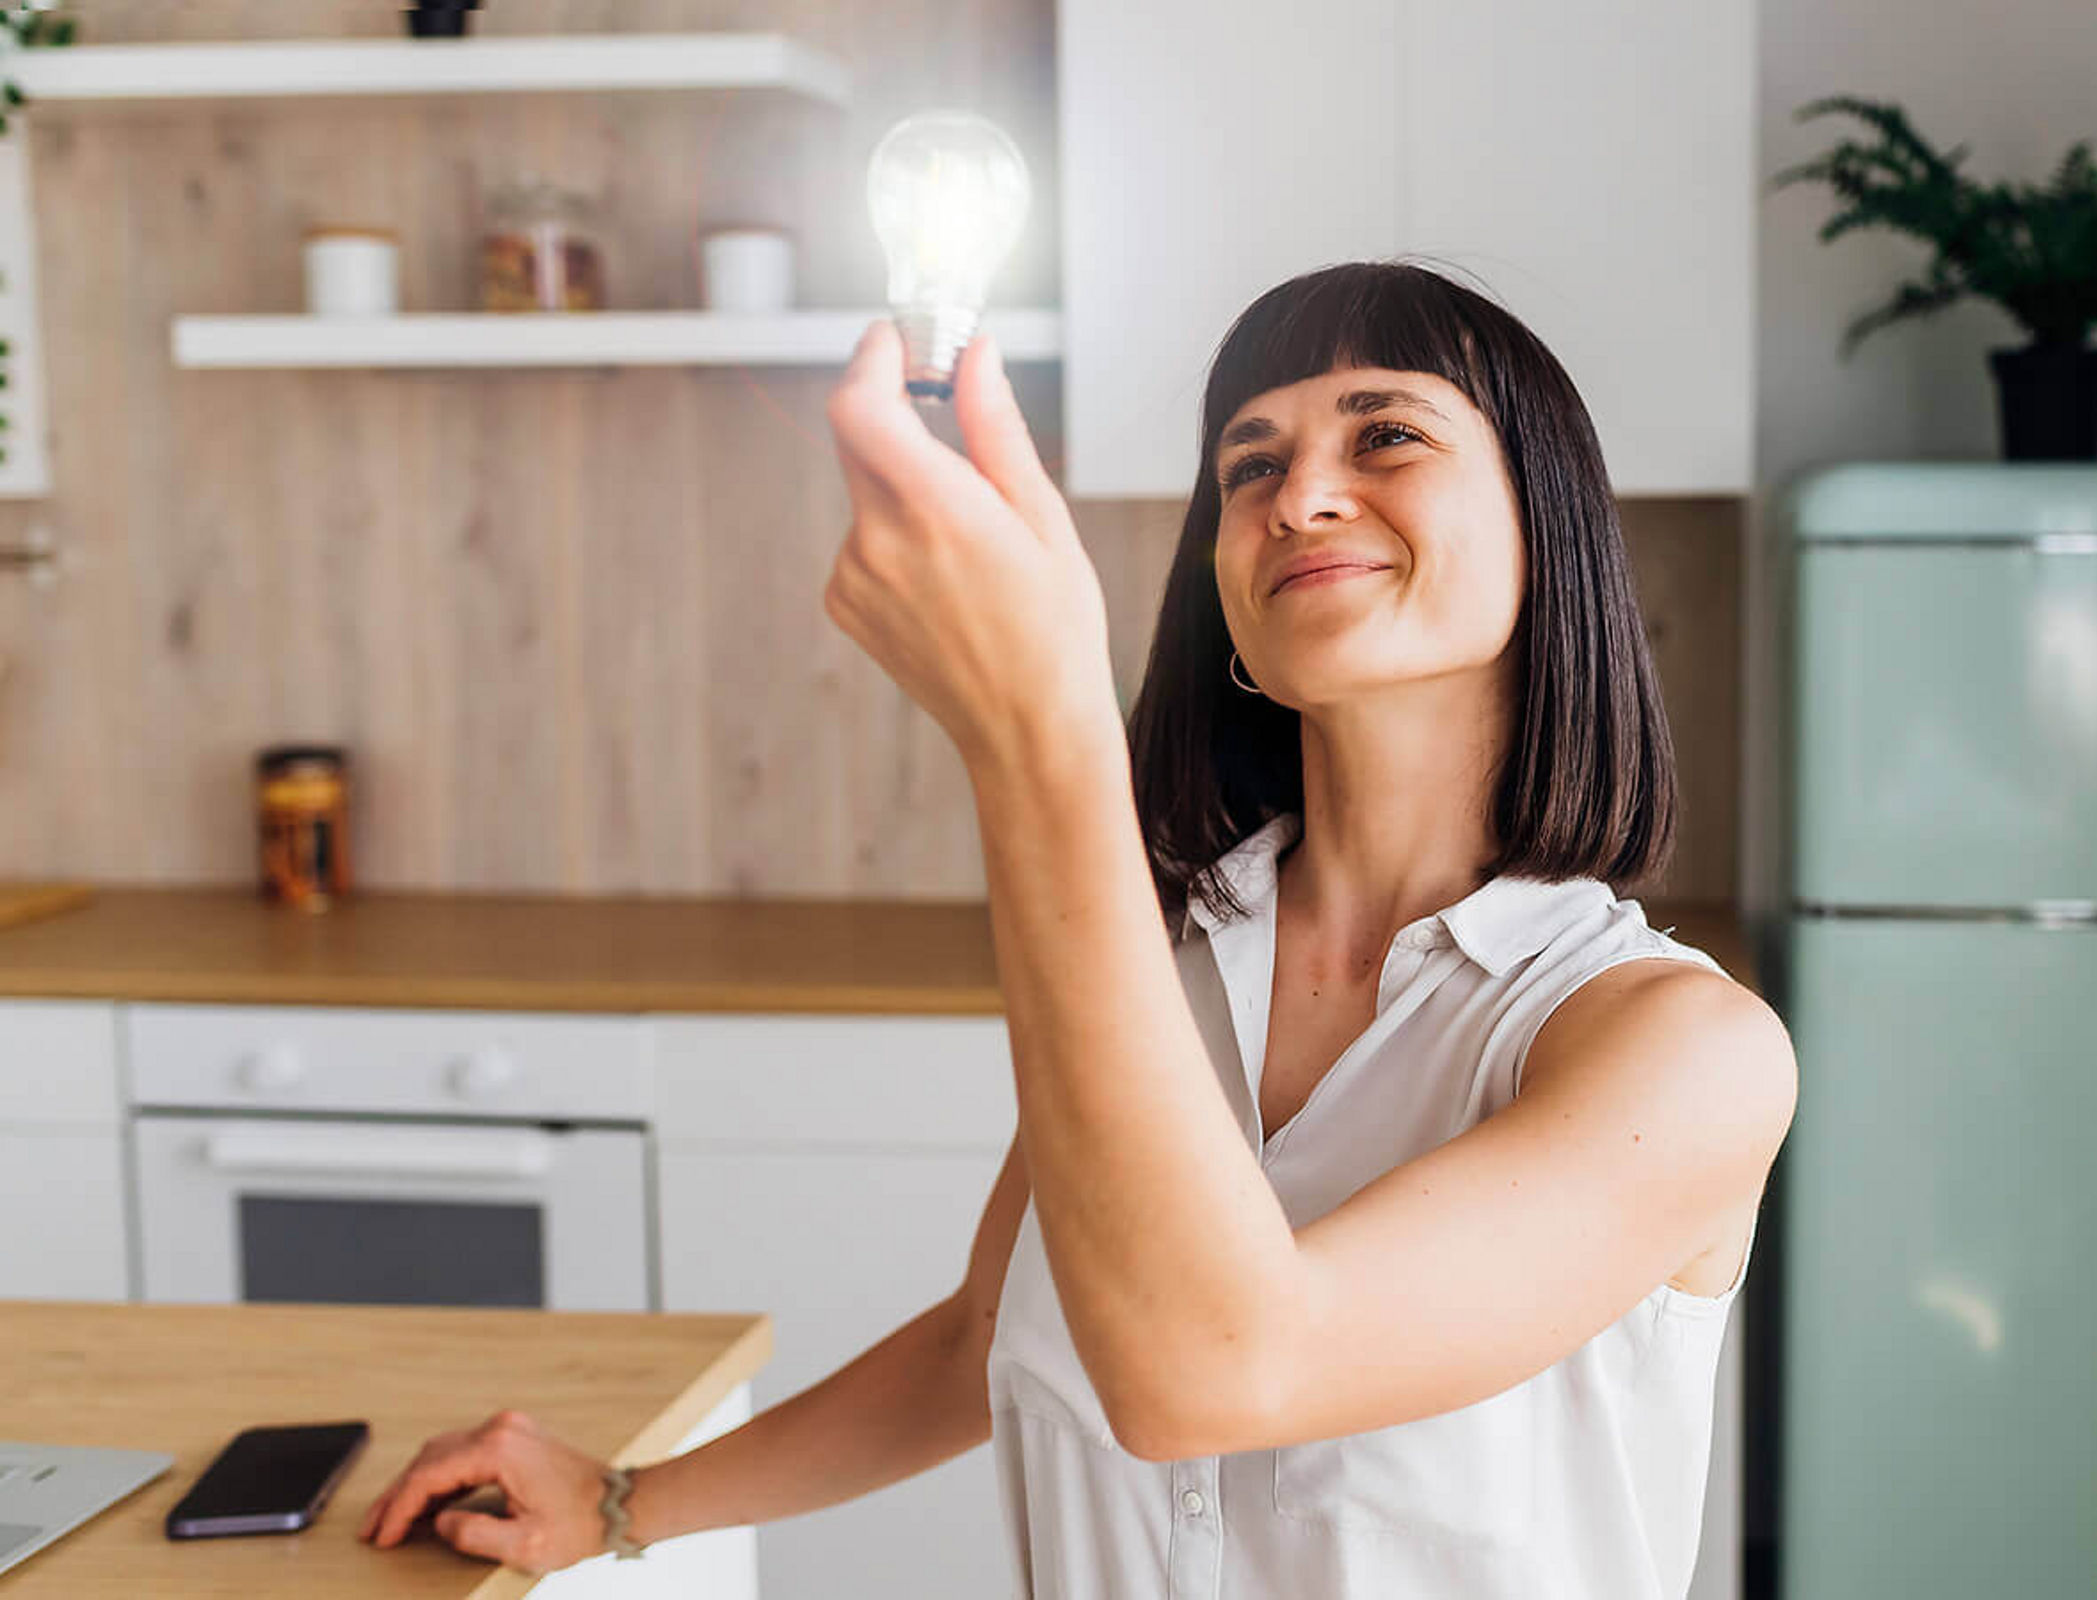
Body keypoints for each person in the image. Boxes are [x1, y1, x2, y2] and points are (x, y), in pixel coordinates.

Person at [358, 260, 1797, 1597]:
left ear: (1549, 532)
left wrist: (1039, 735)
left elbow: (1215, 1373)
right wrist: (619, 1505)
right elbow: (984, 1338)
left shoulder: (1680, 1054)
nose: (1300, 497)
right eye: (1251, 464)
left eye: (1385, 438)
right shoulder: (1160, 970)